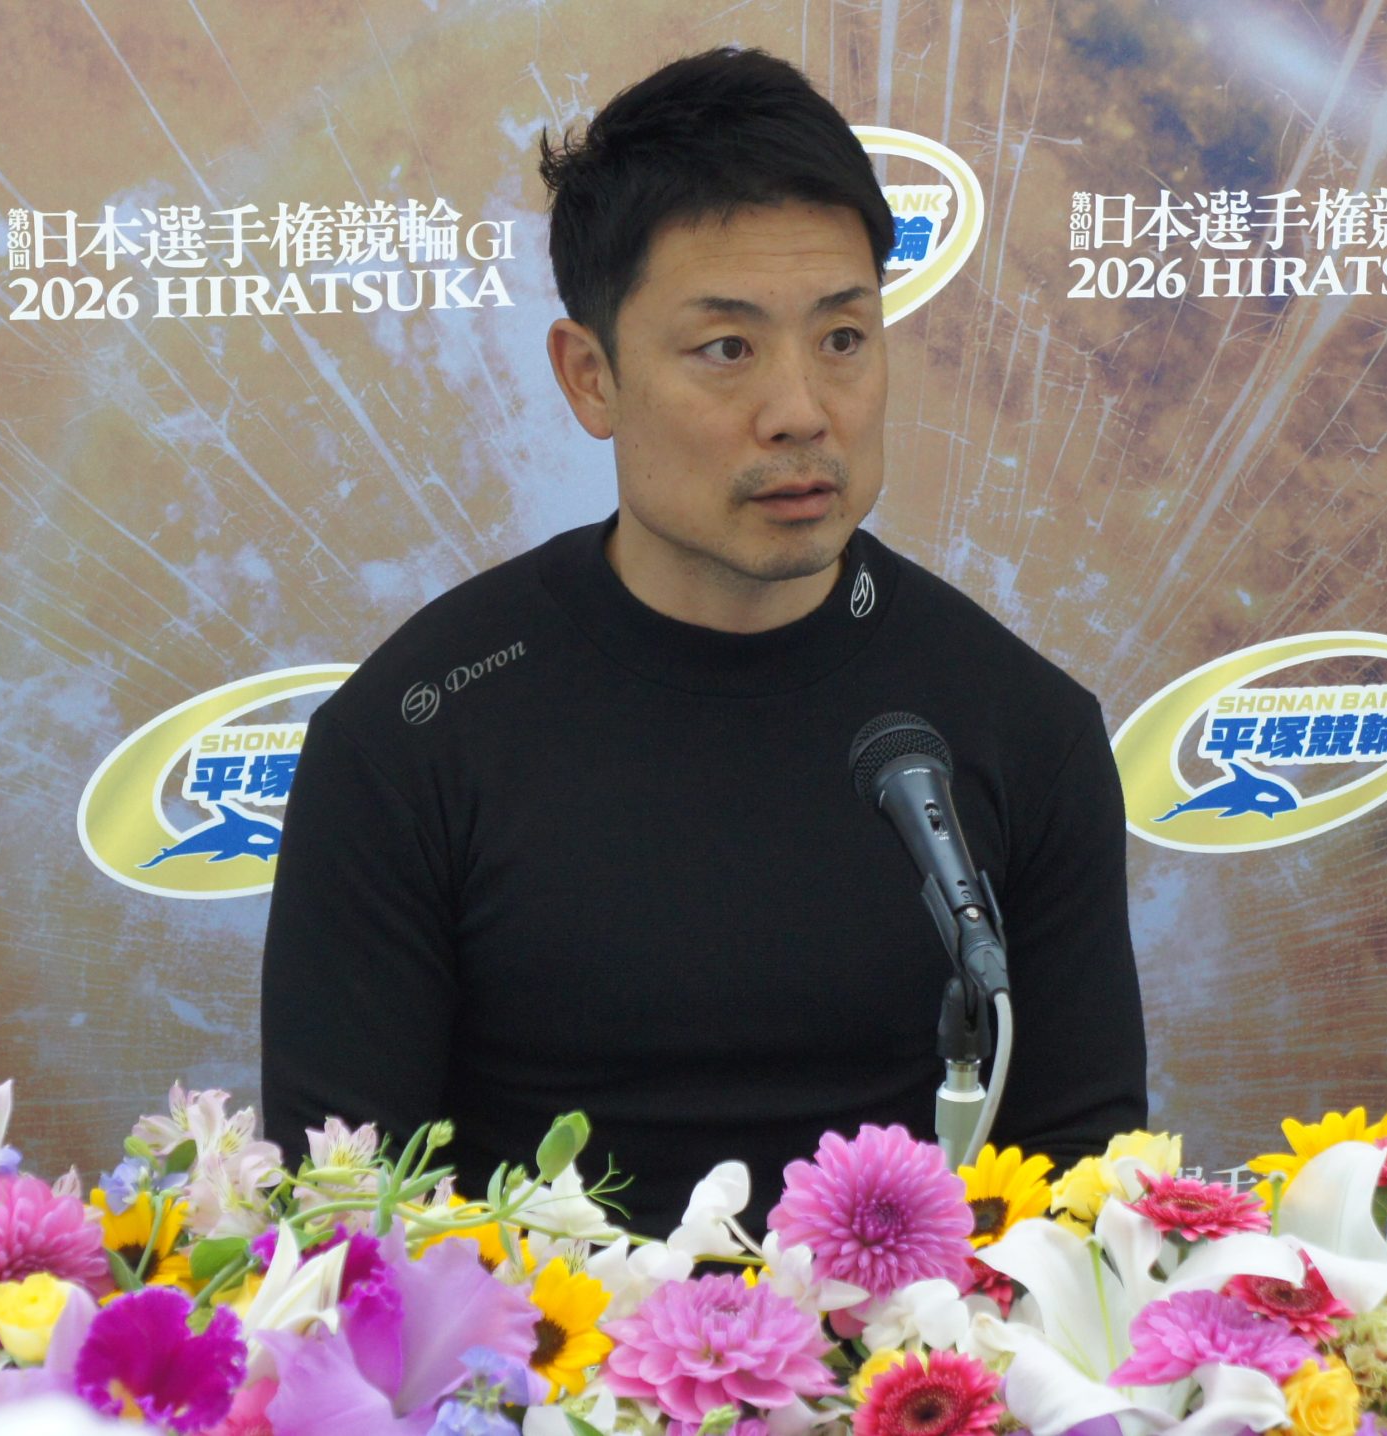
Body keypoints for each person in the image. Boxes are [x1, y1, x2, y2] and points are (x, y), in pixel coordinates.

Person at [260, 46, 1145, 1231]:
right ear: (590, 377)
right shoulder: (411, 736)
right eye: (727, 348)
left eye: (843, 338)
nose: (801, 410)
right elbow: (336, 1225)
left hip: (919, 1342)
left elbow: (1086, 1203)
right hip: (533, 1342)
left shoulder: (1021, 726)